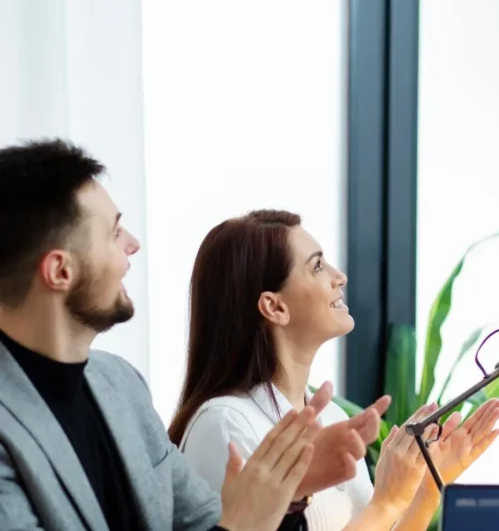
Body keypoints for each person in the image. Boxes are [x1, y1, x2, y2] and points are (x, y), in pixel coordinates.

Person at [0, 138, 333, 530]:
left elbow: (204, 520)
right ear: (60, 272)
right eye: (114, 233)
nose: (133, 245)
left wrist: (283, 496)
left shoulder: (121, 384)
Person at [169, 209, 499, 531]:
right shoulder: (226, 424)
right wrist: (385, 503)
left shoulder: (330, 417)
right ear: (274, 307)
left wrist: (426, 489)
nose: (338, 276)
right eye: (317, 267)